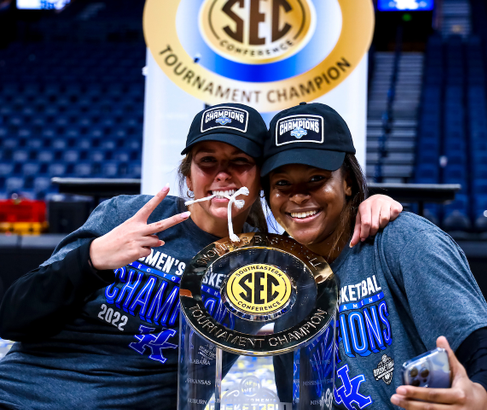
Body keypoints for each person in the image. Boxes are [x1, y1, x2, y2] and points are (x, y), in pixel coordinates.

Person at [0, 102, 402, 409]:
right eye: (207, 162)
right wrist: (90, 259)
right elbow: (14, 318)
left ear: (260, 181)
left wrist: (368, 205)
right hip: (19, 394)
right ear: (189, 174)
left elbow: (297, 372)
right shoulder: (126, 215)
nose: (222, 175)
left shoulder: (267, 264)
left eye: (239, 163)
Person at [260, 102, 487, 410]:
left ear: (348, 182)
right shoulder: (281, 275)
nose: (298, 195)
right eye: (282, 183)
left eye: (316, 178)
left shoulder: (404, 242)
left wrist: (480, 397)